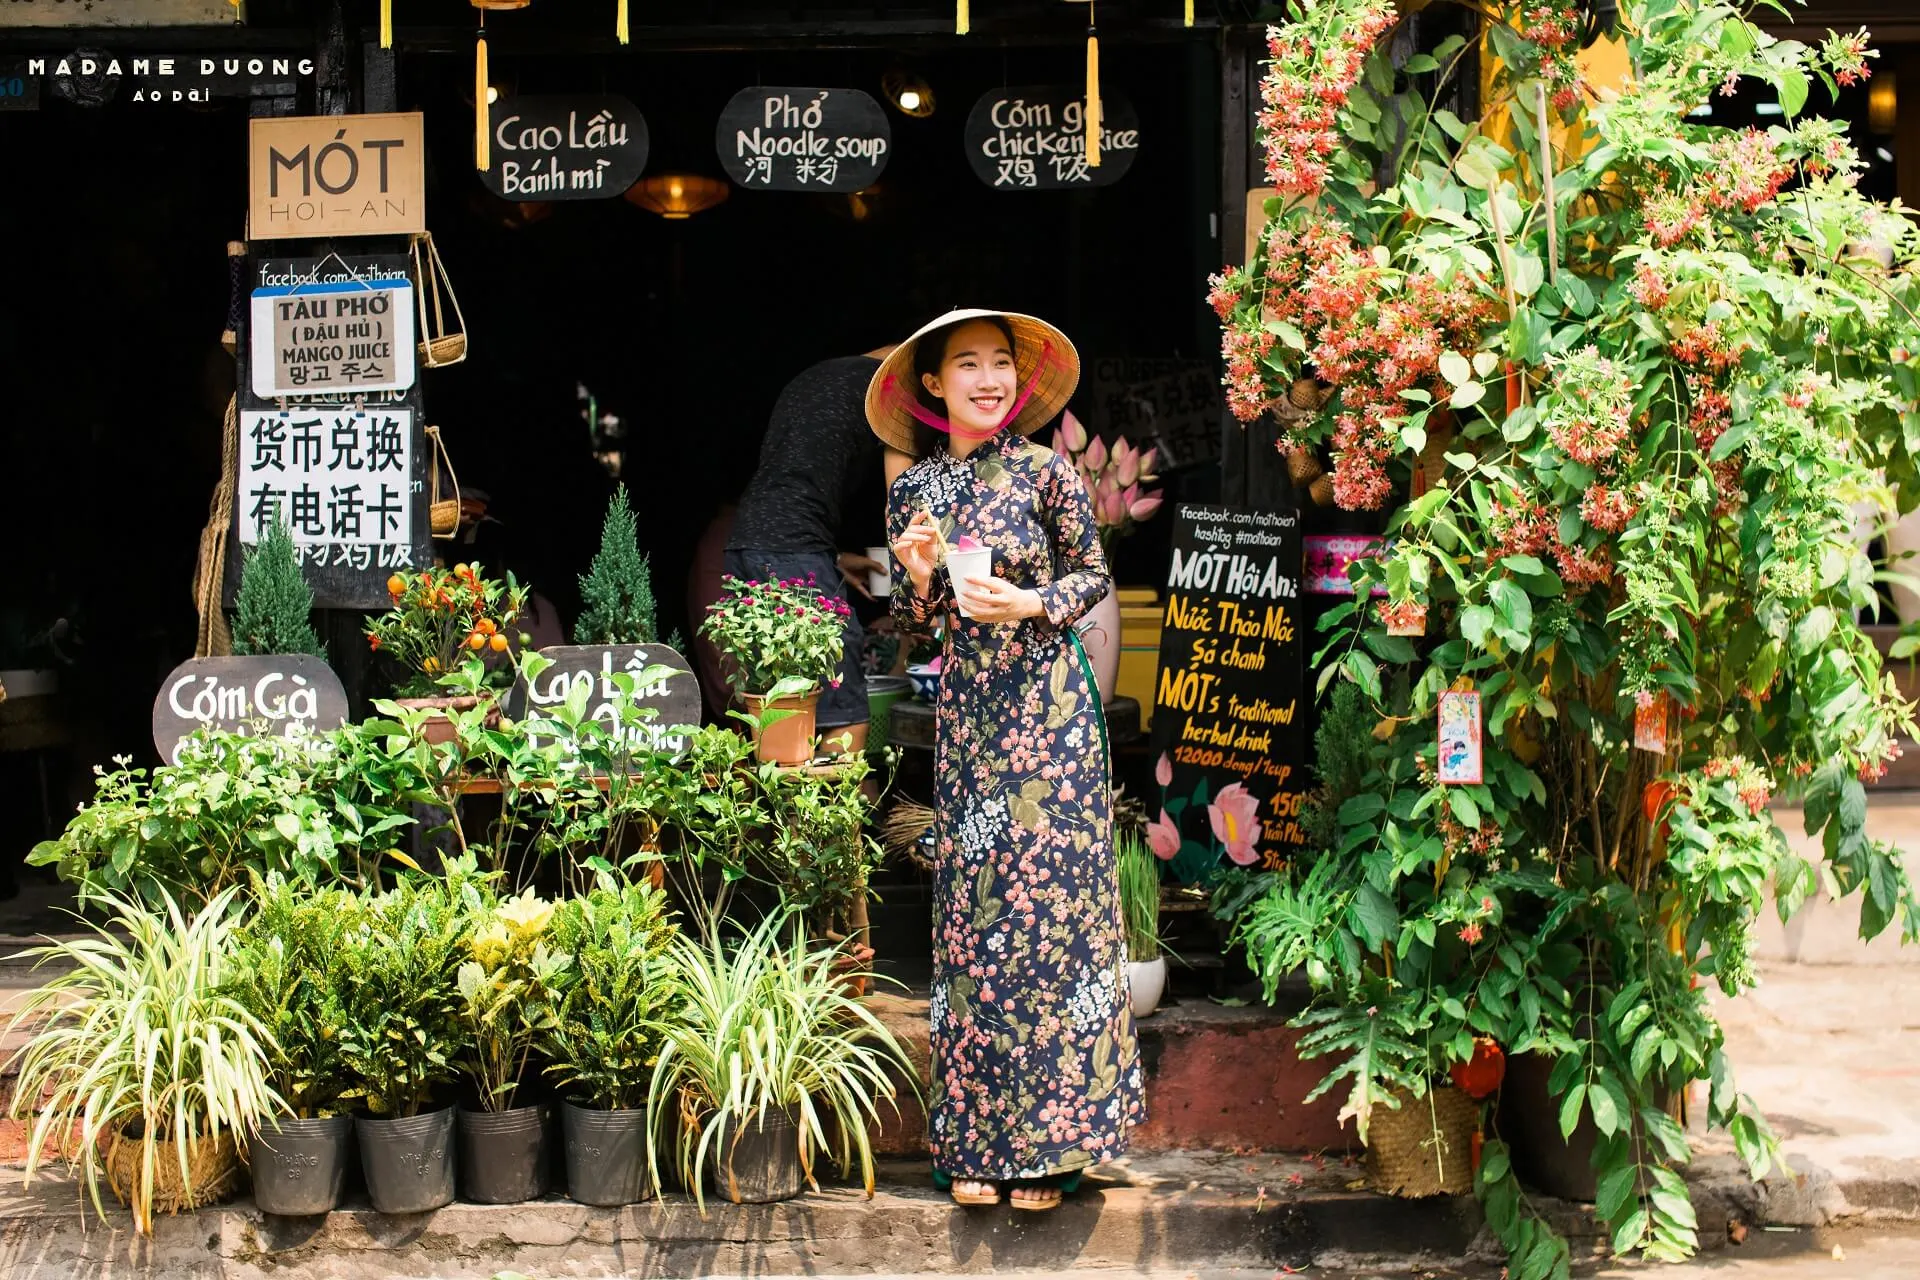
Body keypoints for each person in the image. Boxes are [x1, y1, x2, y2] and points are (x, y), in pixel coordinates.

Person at [872, 309, 1144, 1212]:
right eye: (966, 366)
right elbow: (915, 626)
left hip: (1053, 716)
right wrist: (916, 581)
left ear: (1016, 382)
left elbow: (1092, 574)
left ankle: (1057, 1155)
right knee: (979, 930)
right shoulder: (914, 492)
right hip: (975, 724)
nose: (986, 380)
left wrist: (1029, 602)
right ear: (935, 387)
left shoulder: (1048, 470)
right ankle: (981, 1149)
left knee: (1058, 925)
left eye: (999, 365)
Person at [725, 347, 897, 753]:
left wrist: (830, 557)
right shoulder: (895, 391)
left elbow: (792, 477)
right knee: (845, 717)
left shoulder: (820, 375)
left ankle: (790, 816)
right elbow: (902, 505)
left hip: (752, 540)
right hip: (793, 549)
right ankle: (837, 817)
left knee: (782, 713)